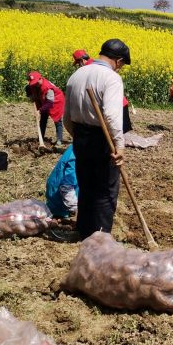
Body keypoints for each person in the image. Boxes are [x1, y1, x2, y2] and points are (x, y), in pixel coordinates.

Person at [63, 39, 129, 239]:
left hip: (80, 137)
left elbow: (66, 116)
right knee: (105, 189)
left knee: (86, 185)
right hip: (102, 139)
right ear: (118, 61)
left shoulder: (77, 74)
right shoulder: (111, 78)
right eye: (122, 65)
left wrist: (78, 136)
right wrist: (119, 145)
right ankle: (101, 237)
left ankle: (84, 230)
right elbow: (111, 116)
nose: (121, 69)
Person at [73, 50, 133, 133]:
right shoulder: (97, 64)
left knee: (116, 132)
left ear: (82, 61)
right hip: (116, 102)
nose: (78, 66)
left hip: (114, 104)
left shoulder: (88, 69)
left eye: (78, 63)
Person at [26, 71, 65, 147]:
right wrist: (30, 96)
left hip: (55, 101)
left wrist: (39, 110)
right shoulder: (34, 85)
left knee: (58, 121)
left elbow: (50, 103)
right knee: (43, 119)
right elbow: (28, 88)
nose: (35, 84)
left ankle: (59, 140)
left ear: (40, 78)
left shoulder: (48, 88)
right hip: (44, 100)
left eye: (36, 82)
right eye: (33, 83)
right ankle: (41, 138)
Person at [45, 144, 78, 219]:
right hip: (62, 201)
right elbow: (67, 186)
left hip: (67, 193)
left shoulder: (78, 146)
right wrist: (74, 209)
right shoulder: (77, 154)